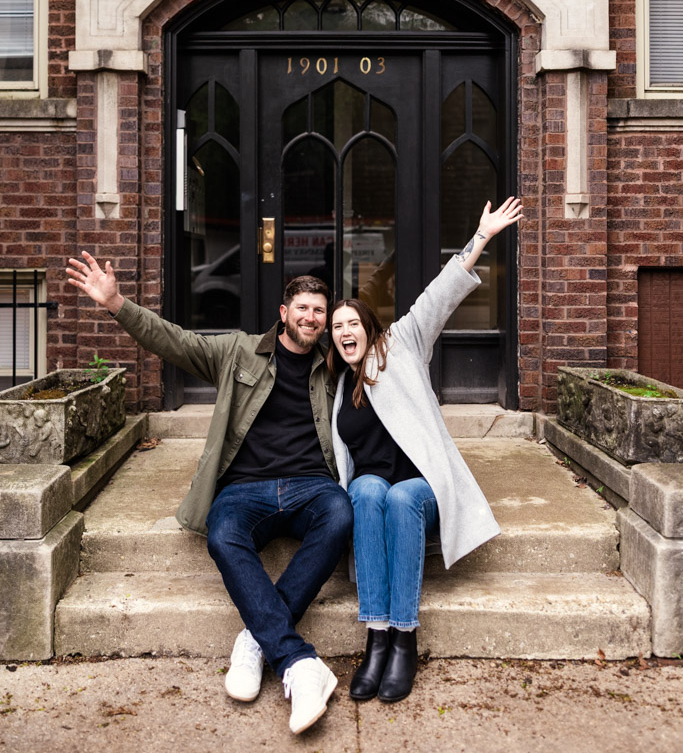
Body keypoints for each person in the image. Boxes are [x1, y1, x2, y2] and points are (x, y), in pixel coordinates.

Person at [66, 255, 353, 735]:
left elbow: (397, 345)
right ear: (283, 313)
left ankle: (257, 639)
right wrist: (116, 302)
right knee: (222, 534)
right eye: (302, 308)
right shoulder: (238, 353)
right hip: (245, 489)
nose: (312, 318)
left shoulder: (335, 364)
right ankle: (298, 662)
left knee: (342, 515)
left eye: (319, 311)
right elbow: (174, 341)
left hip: (312, 487)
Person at [326, 196, 523, 703]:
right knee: (368, 492)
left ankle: (404, 639)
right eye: (336, 328)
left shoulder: (403, 346)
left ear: (370, 329)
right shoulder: (338, 389)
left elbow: (440, 295)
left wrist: (480, 237)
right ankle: (376, 638)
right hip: (375, 492)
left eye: (353, 324)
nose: (346, 332)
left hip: (421, 493)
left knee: (398, 497)